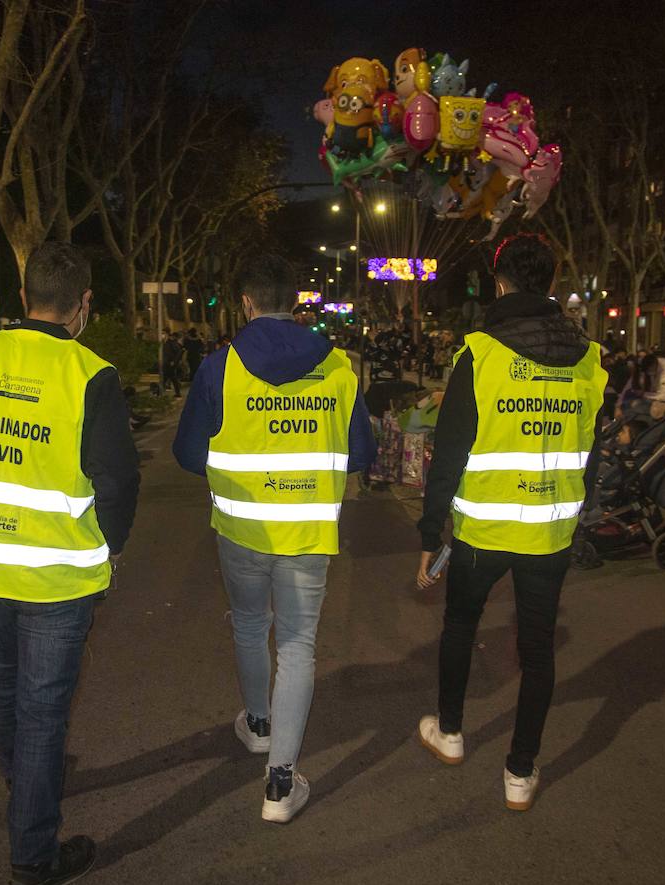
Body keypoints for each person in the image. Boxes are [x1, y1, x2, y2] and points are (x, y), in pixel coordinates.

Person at [0, 241, 140, 885]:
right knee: (43, 714)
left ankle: (25, 793)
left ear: (23, 299)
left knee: (3, 691)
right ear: (83, 306)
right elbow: (119, 480)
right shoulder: (89, 375)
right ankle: (32, 861)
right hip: (58, 578)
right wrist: (112, 547)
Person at [173, 253, 376, 826]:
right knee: (297, 645)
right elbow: (361, 453)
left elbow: (188, 454)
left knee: (248, 623)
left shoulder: (219, 367)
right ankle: (281, 784)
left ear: (246, 303)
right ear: (297, 300)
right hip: (308, 533)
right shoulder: (337, 367)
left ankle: (259, 725)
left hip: (241, 530)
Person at [414, 233, 606, 812]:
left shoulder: (482, 354)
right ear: (551, 284)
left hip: (483, 532)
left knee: (460, 628)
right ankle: (520, 772)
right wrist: (580, 518)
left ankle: (449, 734)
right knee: (539, 650)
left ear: (499, 283)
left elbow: (448, 455)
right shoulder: (589, 359)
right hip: (549, 533)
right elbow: (592, 453)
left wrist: (429, 534)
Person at [160, 331, 184, 397]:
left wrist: (174, 361)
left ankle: (160, 391)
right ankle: (177, 393)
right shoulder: (163, 343)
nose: (162, 335)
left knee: (169, 377)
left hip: (170, 363)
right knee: (168, 377)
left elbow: (178, 352)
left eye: (163, 333)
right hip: (166, 363)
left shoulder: (171, 343)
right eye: (162, 334)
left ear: (167, 335)